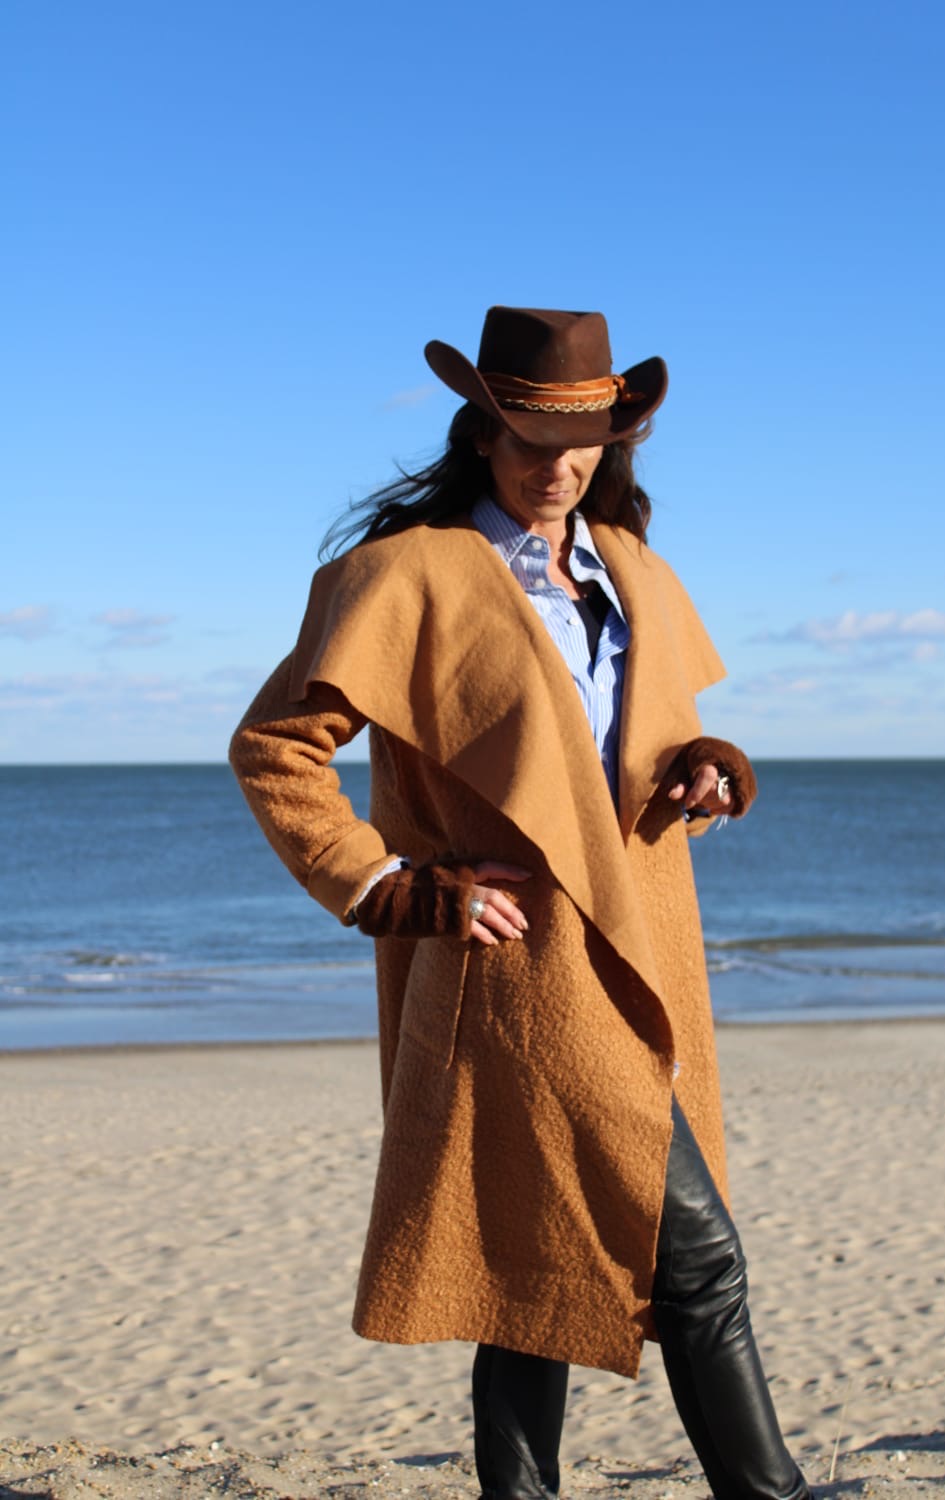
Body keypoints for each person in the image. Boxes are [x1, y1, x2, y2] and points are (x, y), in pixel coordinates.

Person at [230, 306, 811, 1500]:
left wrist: (703, 763)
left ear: (613, 439)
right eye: (530, 438)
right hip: (515, 967)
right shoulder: (406, 573)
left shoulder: (631, 570)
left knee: (531, 1266)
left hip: (642, 938)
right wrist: (385, 884)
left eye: (581, 439)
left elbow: (626, 746)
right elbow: (275, 747)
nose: (556, 464)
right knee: (700, 1261)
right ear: (481, 433)